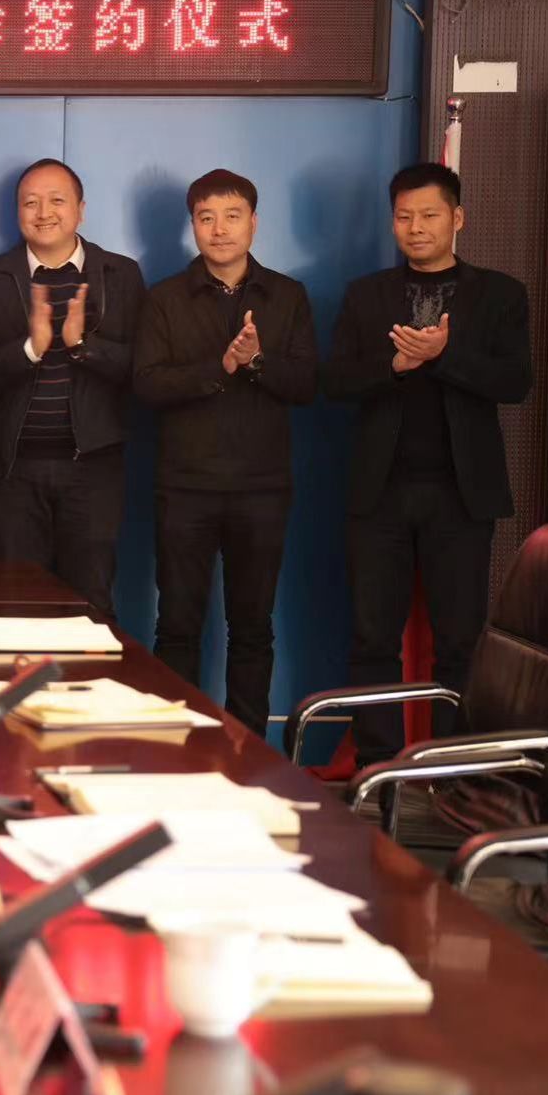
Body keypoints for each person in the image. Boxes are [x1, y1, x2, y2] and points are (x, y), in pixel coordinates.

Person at [323, 162, 532, 763]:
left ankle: (449, 770)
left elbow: (515, 382)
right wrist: (395, 365)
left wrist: (444, 356)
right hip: (380, 491)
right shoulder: (366, 295)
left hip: (461, 494)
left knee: (460, 641)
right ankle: (377, 769)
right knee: (372, 639)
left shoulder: (501, 294)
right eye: (404, 216)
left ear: (457, 218)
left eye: (429, 215)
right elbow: (334, 382)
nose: (416, 227)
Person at [133, 169, 317, 736]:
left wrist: (257, 362)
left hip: (262, 489)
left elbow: (307, 384)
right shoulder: (163, 298)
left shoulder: (287, 295)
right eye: (206, 217)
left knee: (253, 628)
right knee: (177, 626)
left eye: (232, 216)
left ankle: (248, 754)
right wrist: (221, 367)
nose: (219, 229)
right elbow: (147, 385)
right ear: (192, 225)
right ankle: (175, 749)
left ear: (253, 223)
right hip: (185, 487)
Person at [0, 158, 145, 620]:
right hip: (13, 472)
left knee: (91, 606)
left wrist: (83, 346)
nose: (43, 212)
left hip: (93, 470)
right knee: (14, 608)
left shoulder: (119, 273)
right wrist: (31, 348)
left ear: (81, 210)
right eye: (30, 203)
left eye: (57, 201)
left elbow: (142, 371)